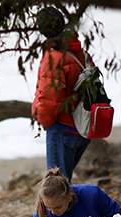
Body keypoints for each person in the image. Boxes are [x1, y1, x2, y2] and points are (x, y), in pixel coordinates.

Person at [31, 6, 91, 181]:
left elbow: (51, 100)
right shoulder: (78, 51)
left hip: (62, 128)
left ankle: (69, 209)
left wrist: (42, 118)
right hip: (81, 127)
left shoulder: (53, 58)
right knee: (64, 184)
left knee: (57, 185)